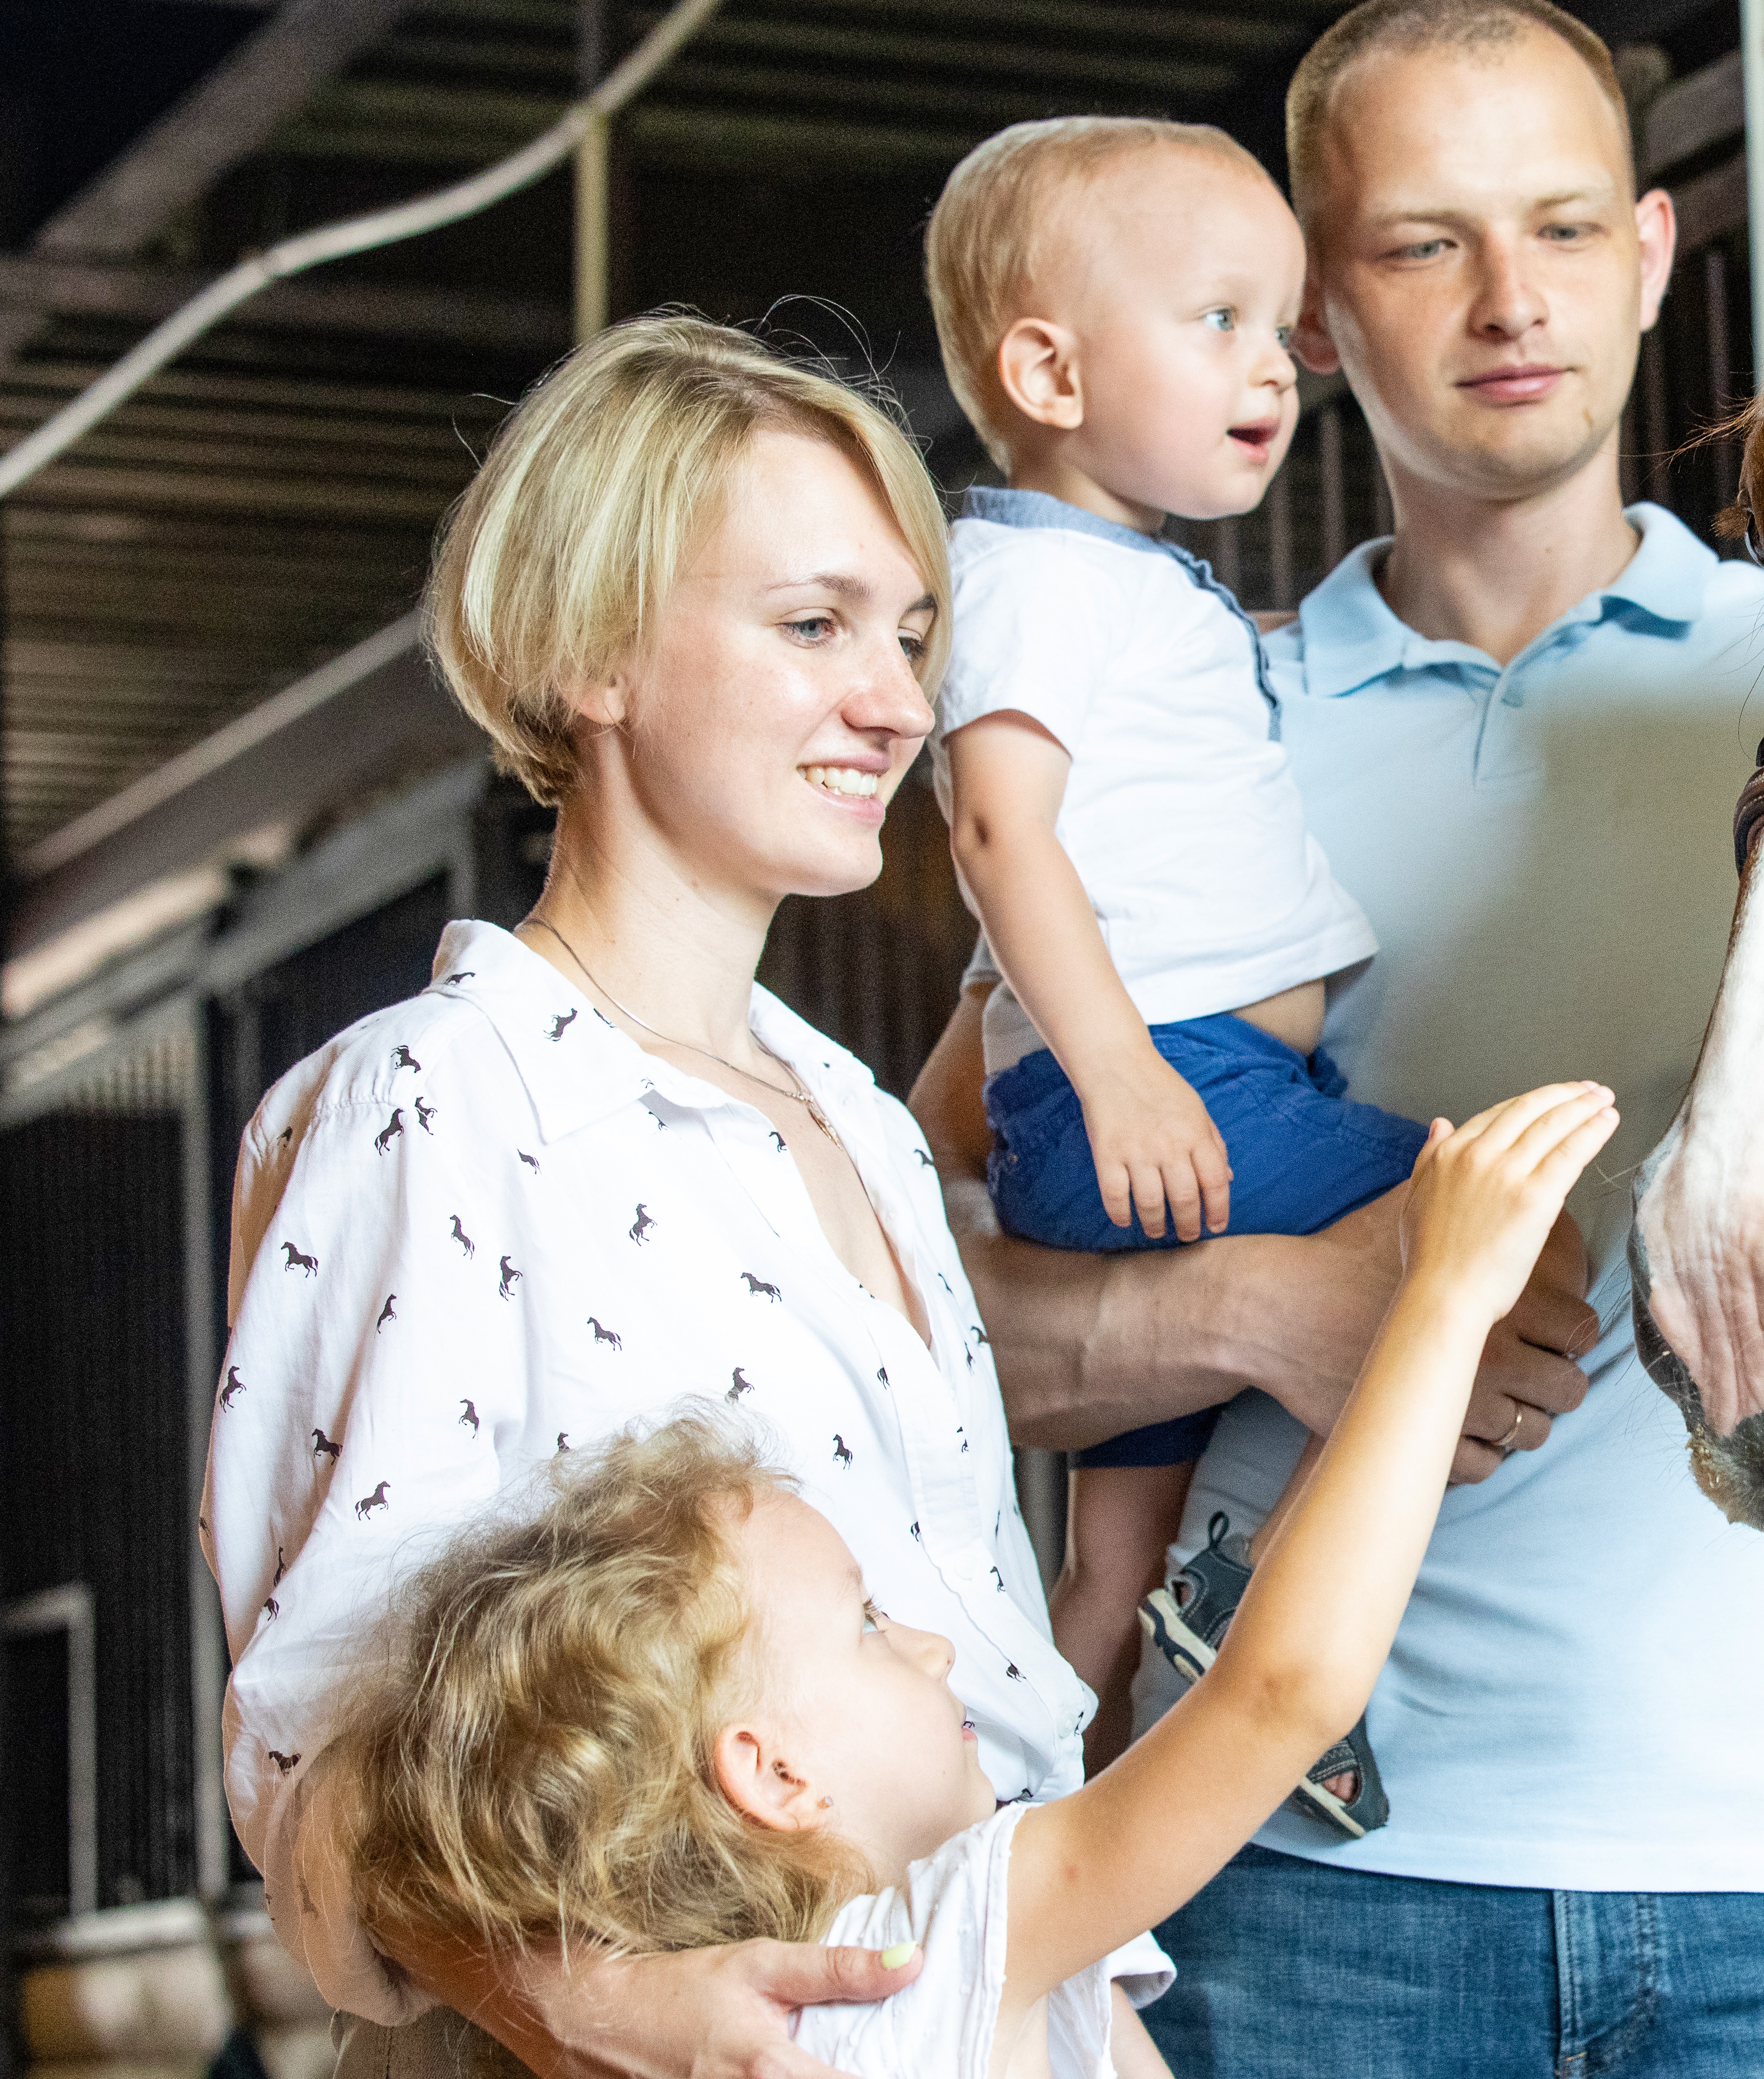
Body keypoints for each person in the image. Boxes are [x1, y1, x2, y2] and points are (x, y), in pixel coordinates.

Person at [911, 0, 1764, 2069]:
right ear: (1311, 313)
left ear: (1655, 257)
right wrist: (1270, 1312)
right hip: (1301, 1884)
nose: (1512, 301)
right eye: (1422, 246)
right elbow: (919, 1270)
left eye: (1566, 229)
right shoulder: (1195, 720)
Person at [205, 315, 1159, 2079]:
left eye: (913, 634)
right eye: (813, 626)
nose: (893, 699)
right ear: (593, 657)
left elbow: (999, 1715)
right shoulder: (441, 1096)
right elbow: (329, 1770)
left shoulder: (858, 1116)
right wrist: (608, 2003)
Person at [325, 1081, 1616, 2079]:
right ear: (773, 1772)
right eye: (873, 1630)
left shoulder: (775, 2023)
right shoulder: (913, 1957)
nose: (939, 1653)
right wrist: (1443, 1297)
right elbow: (1281, 1692)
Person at [919, 116, 1454, 1825]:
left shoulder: (1116, 582)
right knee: (1480, 1224)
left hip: (1152, 1087)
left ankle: (1014, 1891)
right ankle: (1250, 1598)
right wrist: (1117, 1073)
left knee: (1099, 1568)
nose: (1277, 365)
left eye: (1283, 321)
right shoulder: (1037, 586)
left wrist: (992, 1062)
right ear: (1047, 368)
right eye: (1216, 317)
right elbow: (1003, 839)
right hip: (1178, 1092)